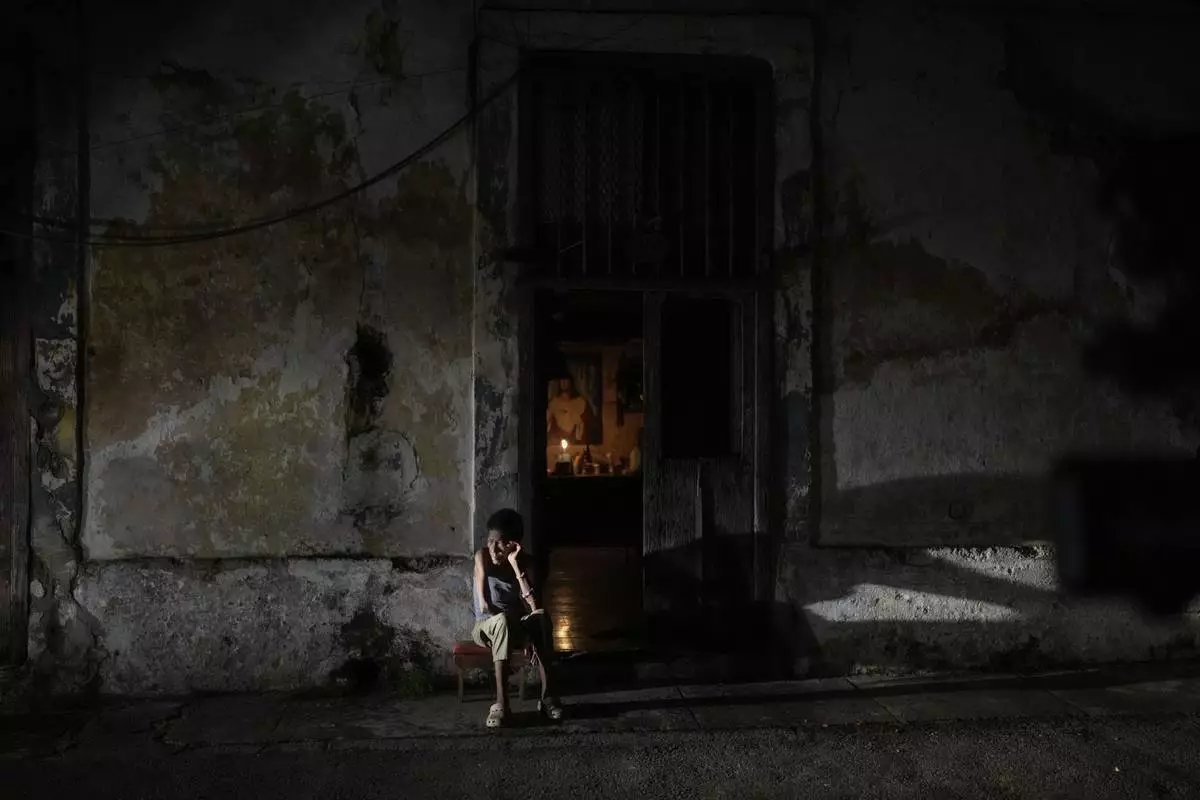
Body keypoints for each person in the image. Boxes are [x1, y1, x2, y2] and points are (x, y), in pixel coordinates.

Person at [472, 508, 564, 728]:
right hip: (486, 626)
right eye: (490, 540)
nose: (494, 548)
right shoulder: (481, 557)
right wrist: (521, 633)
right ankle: (502, 703)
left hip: (514, 625)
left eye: (501, 543)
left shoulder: (526, 562)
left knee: (541, 619)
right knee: (502, 621)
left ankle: (548, 697)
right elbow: (485, 605)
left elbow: (533, 606)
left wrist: (515, 565)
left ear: (514, 544)